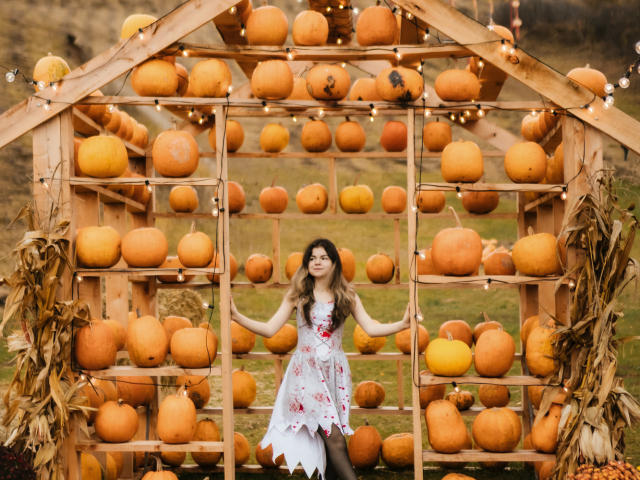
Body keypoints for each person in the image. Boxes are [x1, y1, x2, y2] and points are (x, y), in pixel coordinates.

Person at [230, 238, 412, 480]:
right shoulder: (299, 295)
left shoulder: (347, 296)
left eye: (323, 257)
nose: (317, 262)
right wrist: (236, 315)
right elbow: (270, 329)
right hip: (306, 374)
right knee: (334, 438)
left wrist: (403, 323)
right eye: (312, 258)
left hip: (335, 373)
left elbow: (370, 328)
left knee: (329, 445)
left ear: (334, 263)